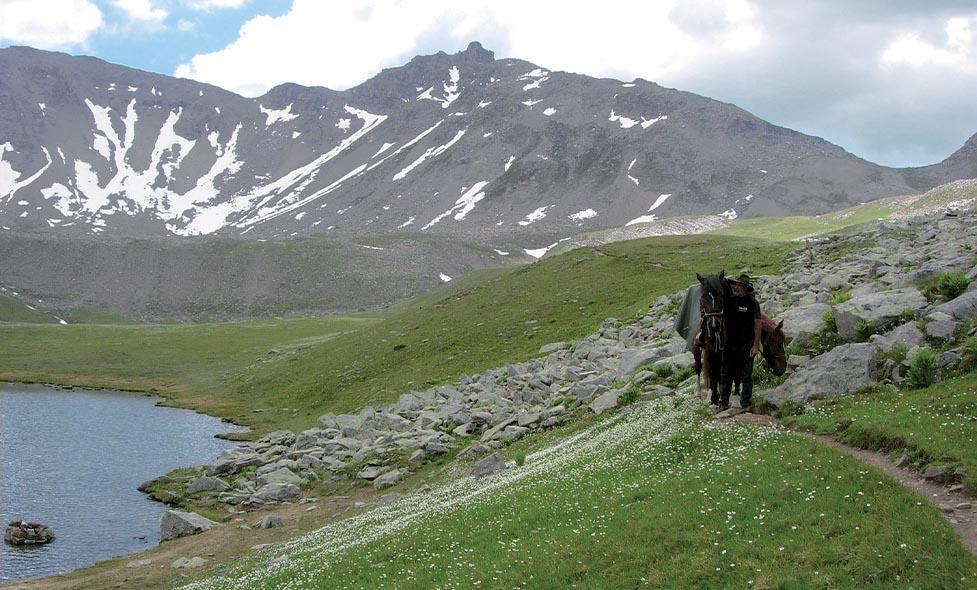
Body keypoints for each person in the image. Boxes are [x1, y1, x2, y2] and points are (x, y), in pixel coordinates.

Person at [718, 273, 761, 410]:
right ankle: (723, 402)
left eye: (739, 285)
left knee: (746, 375)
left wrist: (755, 345)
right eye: (735, 284)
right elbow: (722, 320)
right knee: (726, 373)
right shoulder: (730, 301)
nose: (736, 287)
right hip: (730, 343)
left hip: (746, 343)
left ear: (745, 287)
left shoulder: (752, 303)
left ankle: (746, 403)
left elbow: (757, 323)